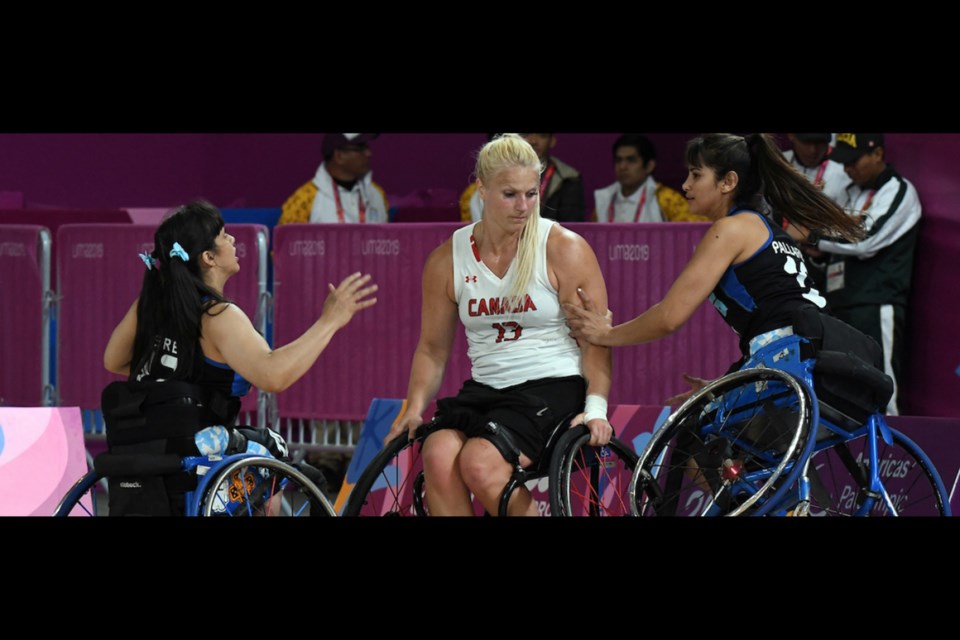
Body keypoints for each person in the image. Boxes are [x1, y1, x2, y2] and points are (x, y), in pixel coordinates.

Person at [385, 134, 613, 516]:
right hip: (487, 390)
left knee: (479, 461)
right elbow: (432, 348)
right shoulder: (448, 258)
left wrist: (596, 406)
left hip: (552, 386)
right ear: (482, 189)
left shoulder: (563, 247)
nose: (523, 206)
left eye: (531, 193)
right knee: (438, 453)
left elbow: (595, 339)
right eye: (510, 194)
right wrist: (414, 405)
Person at [103, 200, 377, 513]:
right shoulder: (219, 315)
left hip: (144, 451)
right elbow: (274, 375)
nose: (233, 240)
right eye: (224, 235)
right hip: (194, 456)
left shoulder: (151, 306)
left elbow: (114, 360)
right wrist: (330, 321)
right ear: (208, 258)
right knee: (270, 447)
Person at [564, 133, 864, 404]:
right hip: (808, 356)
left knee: (697, 442)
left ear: (728, 182)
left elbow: (669, 317)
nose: (685, 185)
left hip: (789, 362)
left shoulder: (730, 229)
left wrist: (606, 334)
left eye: (696, 175)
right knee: (707, 412)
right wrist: (721, 387)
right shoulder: (763, 227)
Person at [805, 133, 921, 415]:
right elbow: (835, 244)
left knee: (884, 389)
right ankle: (859, 456)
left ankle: (894, 458)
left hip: (876, 303)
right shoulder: (849, 192)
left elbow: (866, 240)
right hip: (840, 303)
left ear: (878, 154)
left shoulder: (899, 191)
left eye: (853, 161)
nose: (847, 168)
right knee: (846, 393)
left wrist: (812, 237)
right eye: (843, 162)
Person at [593, 134, 707, 223]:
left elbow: (692, 232)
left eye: (631, 160)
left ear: (649, 166)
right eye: (618, 160)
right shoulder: (604, 200)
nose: (623, 167)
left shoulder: (666, 199)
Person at [279, 133, 389, 225]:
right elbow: (283, 250)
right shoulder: (304, 200)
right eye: (361, 148)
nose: (369, 153)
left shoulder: (378, 194)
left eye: (367, 147)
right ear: (339, 156)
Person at [520, 133, 586, 222]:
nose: (533, 141)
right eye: (526, 134)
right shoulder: (500, 173)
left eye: (542, 135)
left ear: (552, 141)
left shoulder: (568, 179)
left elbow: (571, 227)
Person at [783, 133, 851, 207]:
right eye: (807, 142)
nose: (813, 150)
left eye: (820, 142)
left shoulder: (843, 173)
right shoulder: (778, 162)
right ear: (791, 135)